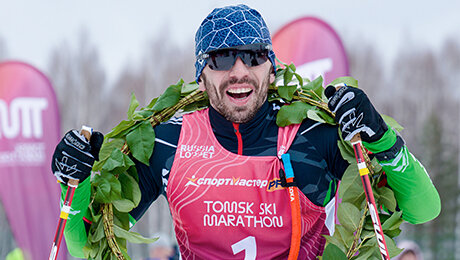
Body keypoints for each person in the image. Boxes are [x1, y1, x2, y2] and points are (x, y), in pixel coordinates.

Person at [51, 4, 441, 259]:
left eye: (253, 55)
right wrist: (79, 180)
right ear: (200, 76)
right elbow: (86, 246)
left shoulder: (312, 139)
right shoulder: (166, 143)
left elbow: (424, 210)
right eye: (221, 58)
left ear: (271, 69)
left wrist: (382, 138)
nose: (238, 71)